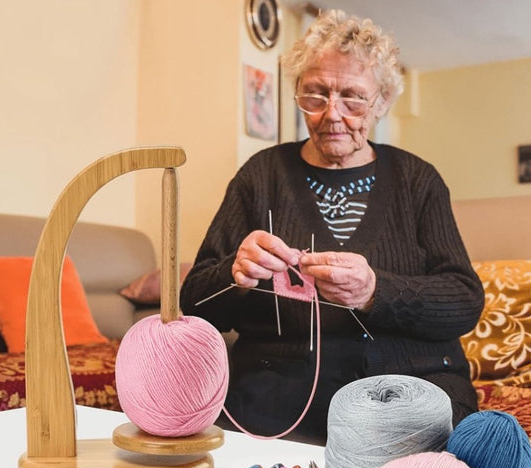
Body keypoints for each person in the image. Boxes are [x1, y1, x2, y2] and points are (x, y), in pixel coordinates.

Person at [180, 10, 484, 445]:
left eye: (353, 98)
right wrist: (235, 273)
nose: (332, 115)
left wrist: (376, 291)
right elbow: (194, 304)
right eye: (315, 95)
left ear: (381, 102)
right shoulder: (260, 175)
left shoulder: (418, 180)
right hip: (279, 395)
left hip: (411, 386)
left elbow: (465, 300)